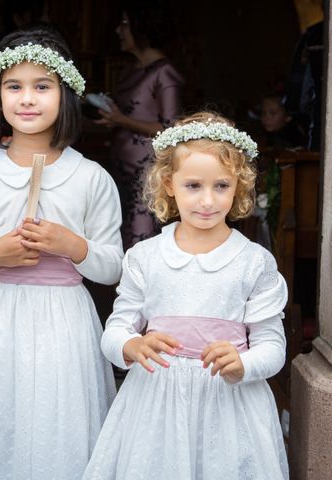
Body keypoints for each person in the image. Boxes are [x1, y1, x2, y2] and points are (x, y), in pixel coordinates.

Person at [0, 27, 123, 479]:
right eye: (14, 87)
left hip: (63, 319)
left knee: (55, 421)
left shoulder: (92, 178)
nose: (28, 98)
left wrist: (72, 246)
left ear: (66, 94)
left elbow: (113, 267)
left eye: (42, 86)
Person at [84, 112, 289, 479]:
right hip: (157, 404)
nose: (208, 201)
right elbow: (116, 328)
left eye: (222, 186)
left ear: (239, 185)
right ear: (168, 183)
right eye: (193, 186)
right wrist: (130, 346)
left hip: (229, 404)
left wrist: (245, 364)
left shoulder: (254, 262)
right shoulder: (145, 257)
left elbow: (272, 346)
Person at [95, 0, 184, 250]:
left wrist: (122, 119)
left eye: (124, 24)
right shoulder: (130, 69)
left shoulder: (164, 72)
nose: (118, 30)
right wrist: (112, 119)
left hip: (145, 176)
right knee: (115, 241)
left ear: (142, 28)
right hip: (120, 170)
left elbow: (171, 129)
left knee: (139, 242)